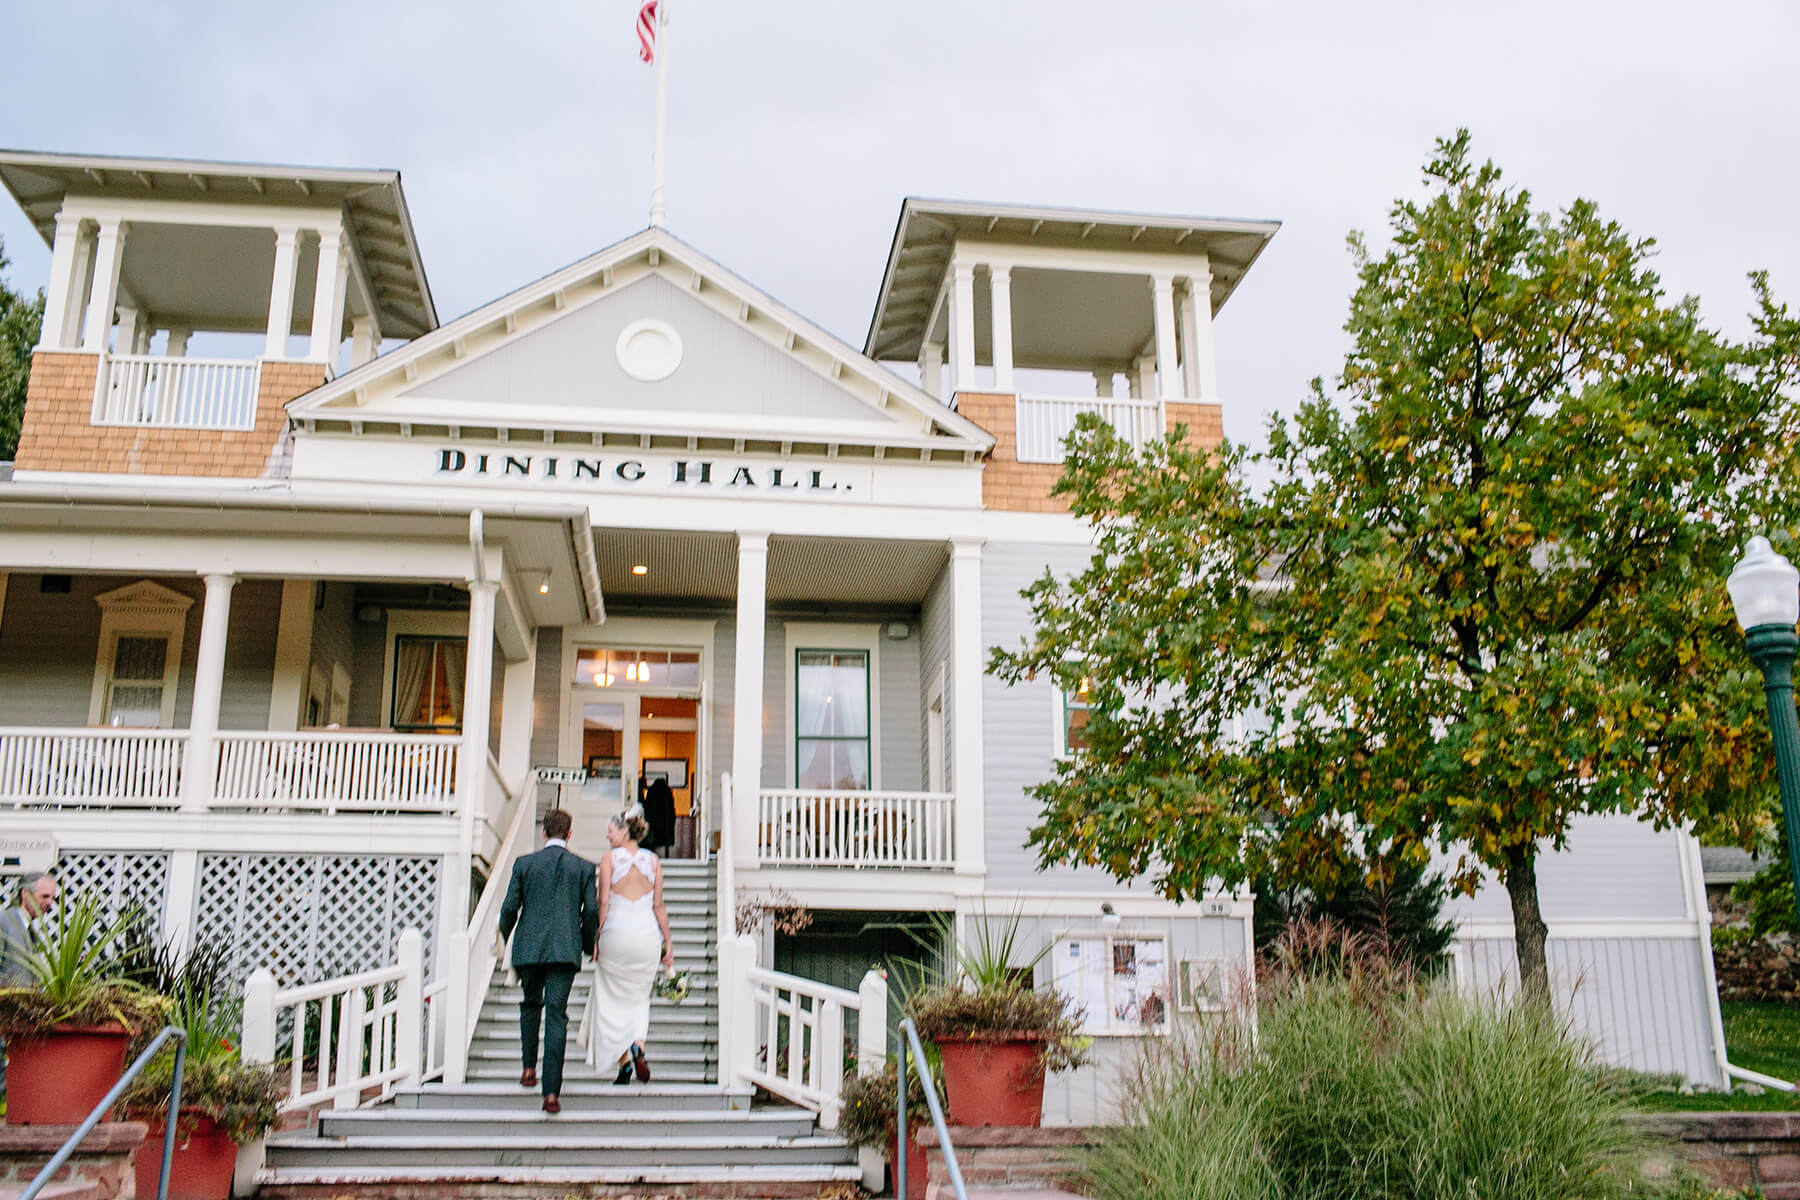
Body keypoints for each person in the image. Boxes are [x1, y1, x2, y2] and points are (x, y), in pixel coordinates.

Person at [497, 810, 597, 1115]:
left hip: (529, 948)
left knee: (530, 1004)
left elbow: (509, 907)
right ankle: (551, 1092)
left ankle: (529, 1069)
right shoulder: (583, 867)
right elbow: (591, 910)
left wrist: (503, 937)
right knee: (556, 1014)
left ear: (544, 832)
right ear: (569, 834)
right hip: (565, 950)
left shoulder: (525, 864)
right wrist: (586, 940)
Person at [583, 805, 673, 1085]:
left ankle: (624, 1063)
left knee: (611, 1001)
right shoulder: (653, 861)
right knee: (638, 1000)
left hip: (616, 934)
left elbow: (604, 903)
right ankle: (638, 1047)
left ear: (624, 831)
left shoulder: (610, 859)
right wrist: (667, 943)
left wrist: (596, 939)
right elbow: (658, 906)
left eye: (611, 831)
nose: (608, 836)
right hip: (646, 935)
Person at [0, 872, 59, 1096]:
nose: (49, 903)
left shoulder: (30, 930)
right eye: (44, 896)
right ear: (25, 894)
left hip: (17, 1025)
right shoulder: (4, 921)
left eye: (52, 898)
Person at [642, 777, 677, 856]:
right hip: (665, 823)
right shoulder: (667, 792)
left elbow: (647, 806)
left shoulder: (651, 791)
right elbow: (671, 810)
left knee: (652, 841)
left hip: (653, 822)